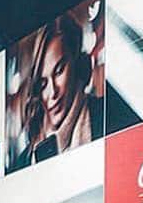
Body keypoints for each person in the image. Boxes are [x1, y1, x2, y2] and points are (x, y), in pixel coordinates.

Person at [14, 12, 103, 169]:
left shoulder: (107, 114)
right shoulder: (25, 161)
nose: (53, 92)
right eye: (42, 84)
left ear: (77, 63)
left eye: (59, 71)